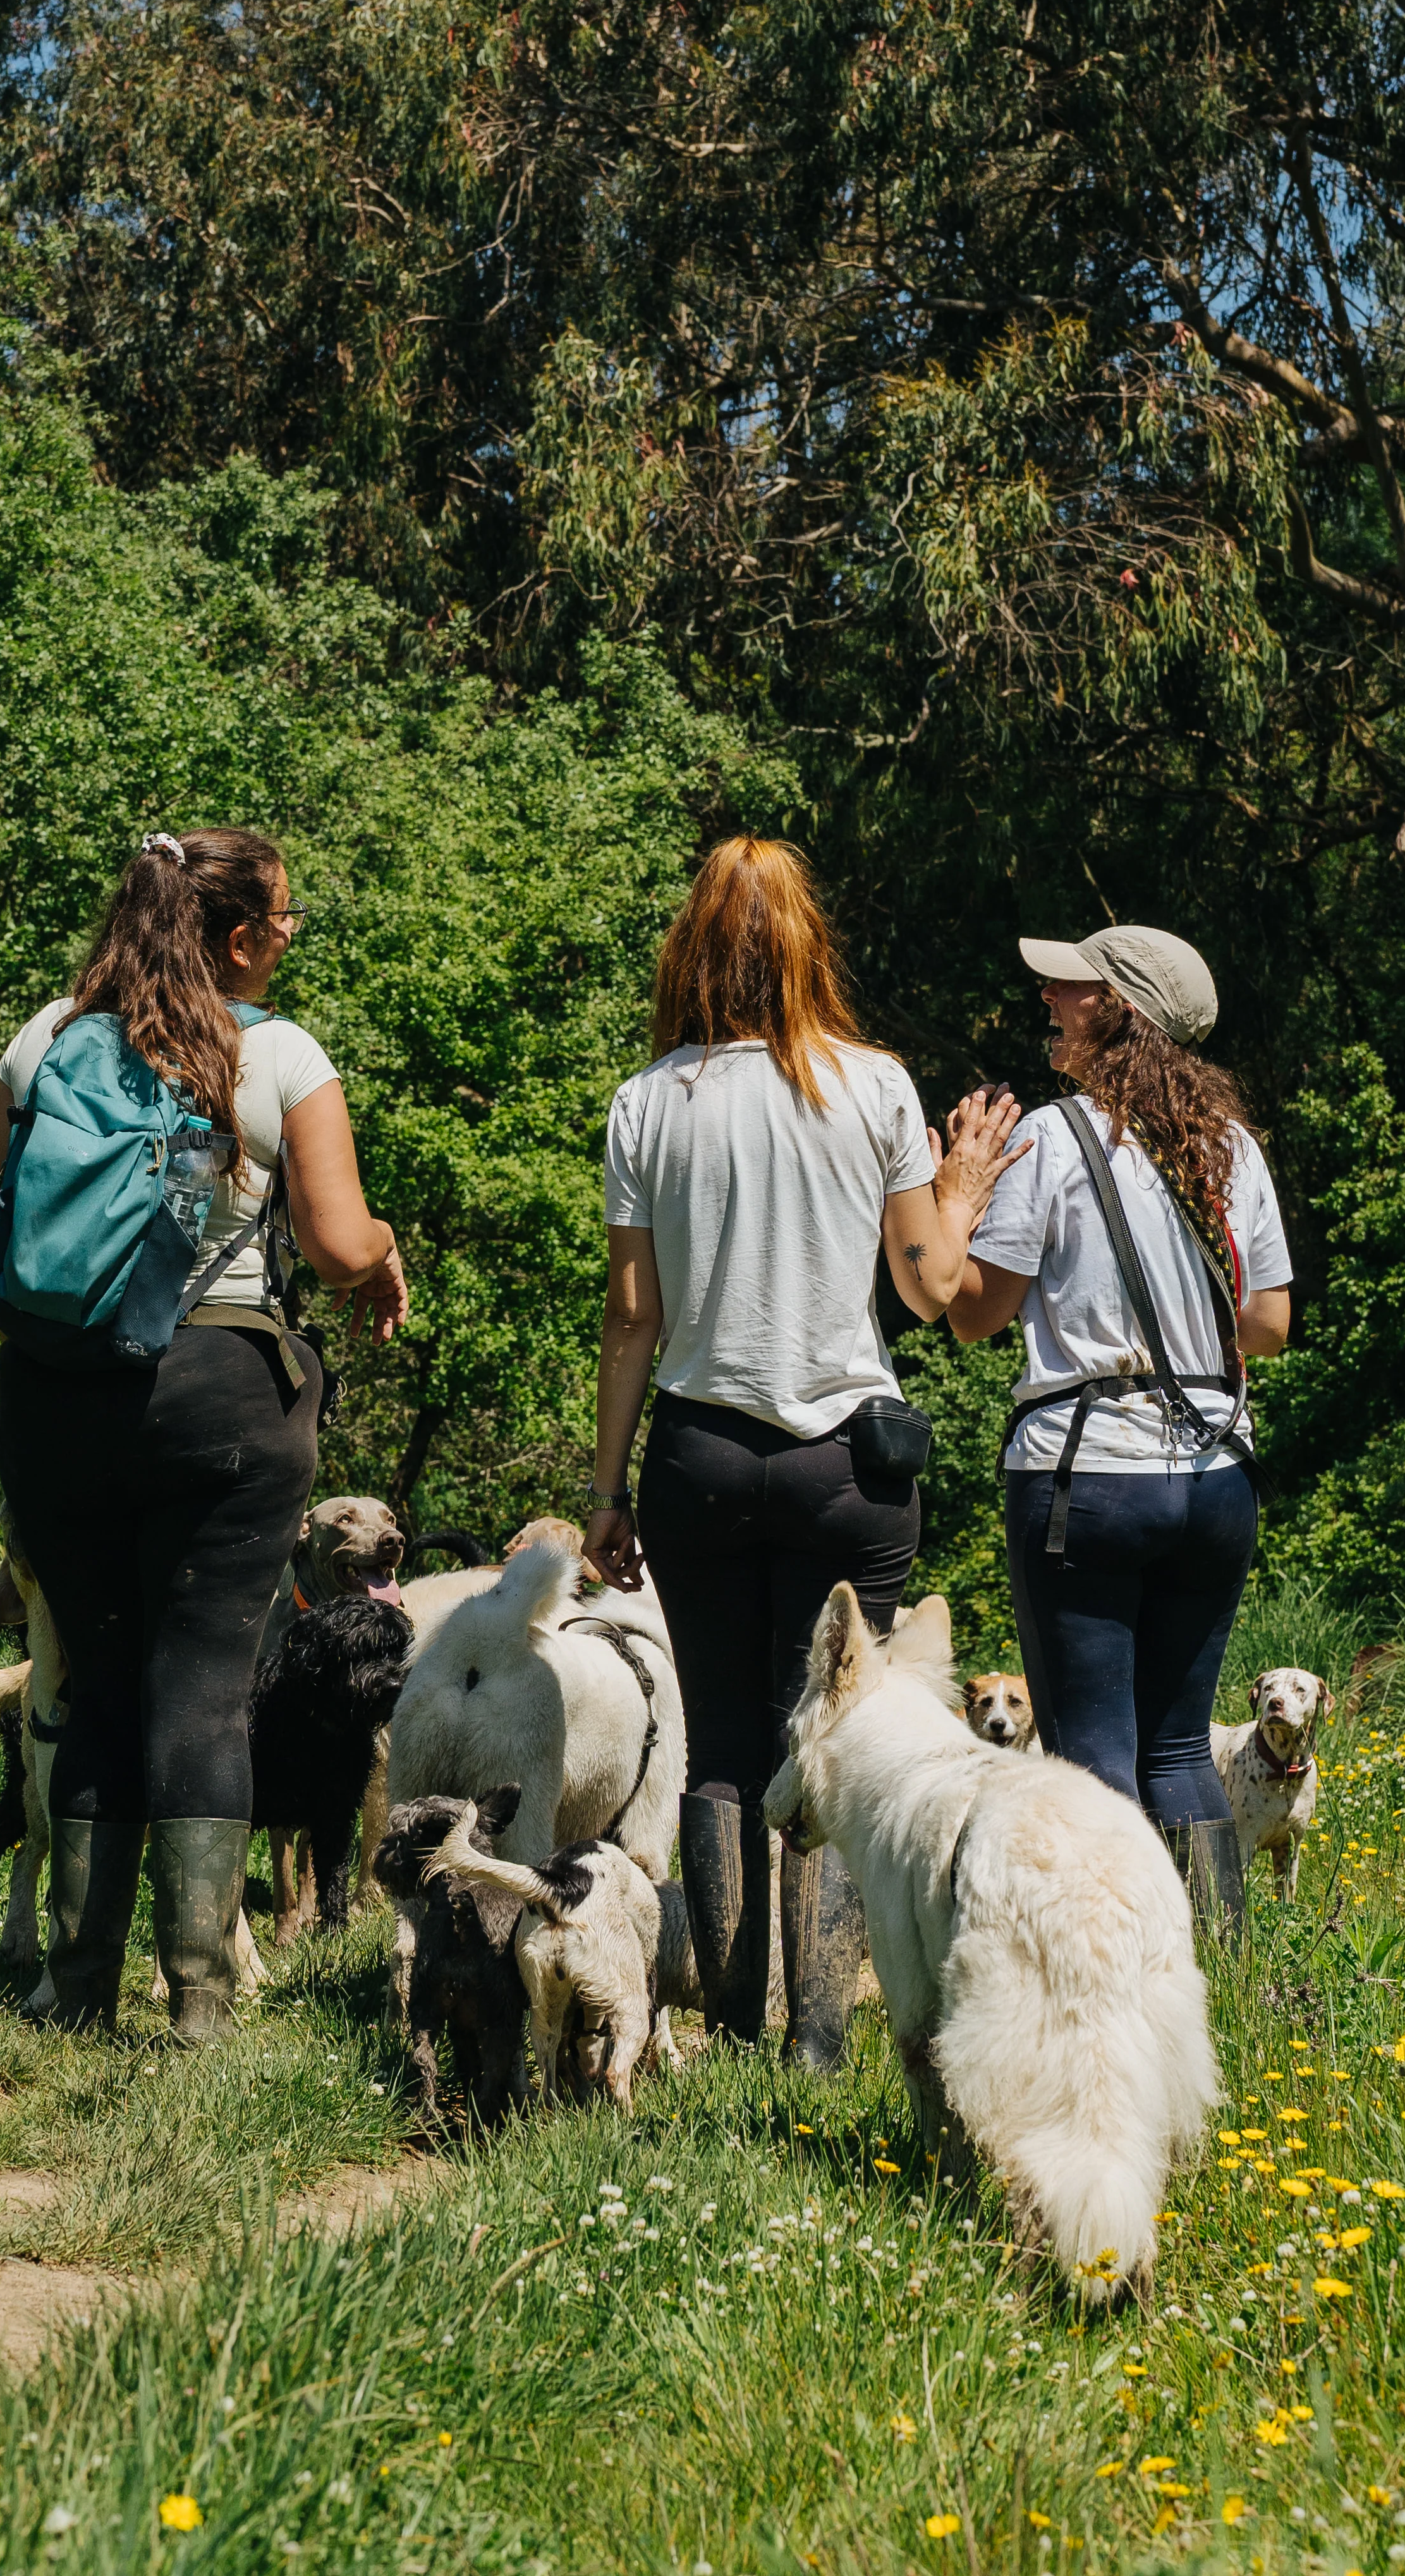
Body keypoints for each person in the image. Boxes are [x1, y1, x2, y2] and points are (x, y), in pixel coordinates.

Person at [584, 837, 1025, 2065]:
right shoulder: (877, 1087)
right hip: (848, 1468)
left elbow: (633, 1316)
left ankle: (730, 2024)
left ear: (691, 950)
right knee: (837, 1741)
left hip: (702, 1456)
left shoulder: (646, 1101)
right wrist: (966, 1181)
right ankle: (819, 2037)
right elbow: (934, 1289)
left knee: (722, 1746)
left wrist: (607, 1488)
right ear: (807, 944)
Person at [0, 828, 406, 2038]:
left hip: (59, 1402)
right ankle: (201, 2011)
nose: (290, 934)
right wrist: (381, 1263)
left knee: (99, 1688)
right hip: (221, 1390)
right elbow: (335, 1240)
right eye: (281, 917)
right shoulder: (275, 1052)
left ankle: (73, 1994)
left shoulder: (46, 1040)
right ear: (230, 937)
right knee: (206, 1696)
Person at [945, 925, 1292, 1932]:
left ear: (1121, 1014)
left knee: (1092, 1756)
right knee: (1180, 1748)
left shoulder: (1054, 1139)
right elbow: (1267, 1326)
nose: (1048, 997)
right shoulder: (1232, 1147)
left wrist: (957, 1198)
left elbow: (973, 1314)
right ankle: (1219, 1978)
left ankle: (1115, 1980)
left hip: (1088, 1477)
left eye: (1071, 987)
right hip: (1219, 1476)